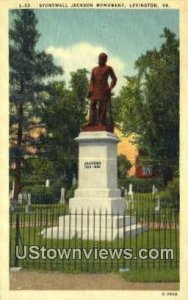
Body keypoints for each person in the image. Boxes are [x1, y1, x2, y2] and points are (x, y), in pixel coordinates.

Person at [88, 53, 117, 126]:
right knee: (92, 105)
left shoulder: (108, 68)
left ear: (105, 60)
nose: (100, 59)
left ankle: (101, 122)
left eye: (102, 58)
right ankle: (91, 122)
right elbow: (91, 80)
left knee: (102, 106)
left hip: (104, 90)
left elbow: (114, 79)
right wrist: (90, 89)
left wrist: (110, 88)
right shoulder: (94, 69)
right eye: (99, 58)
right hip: (94, 90)